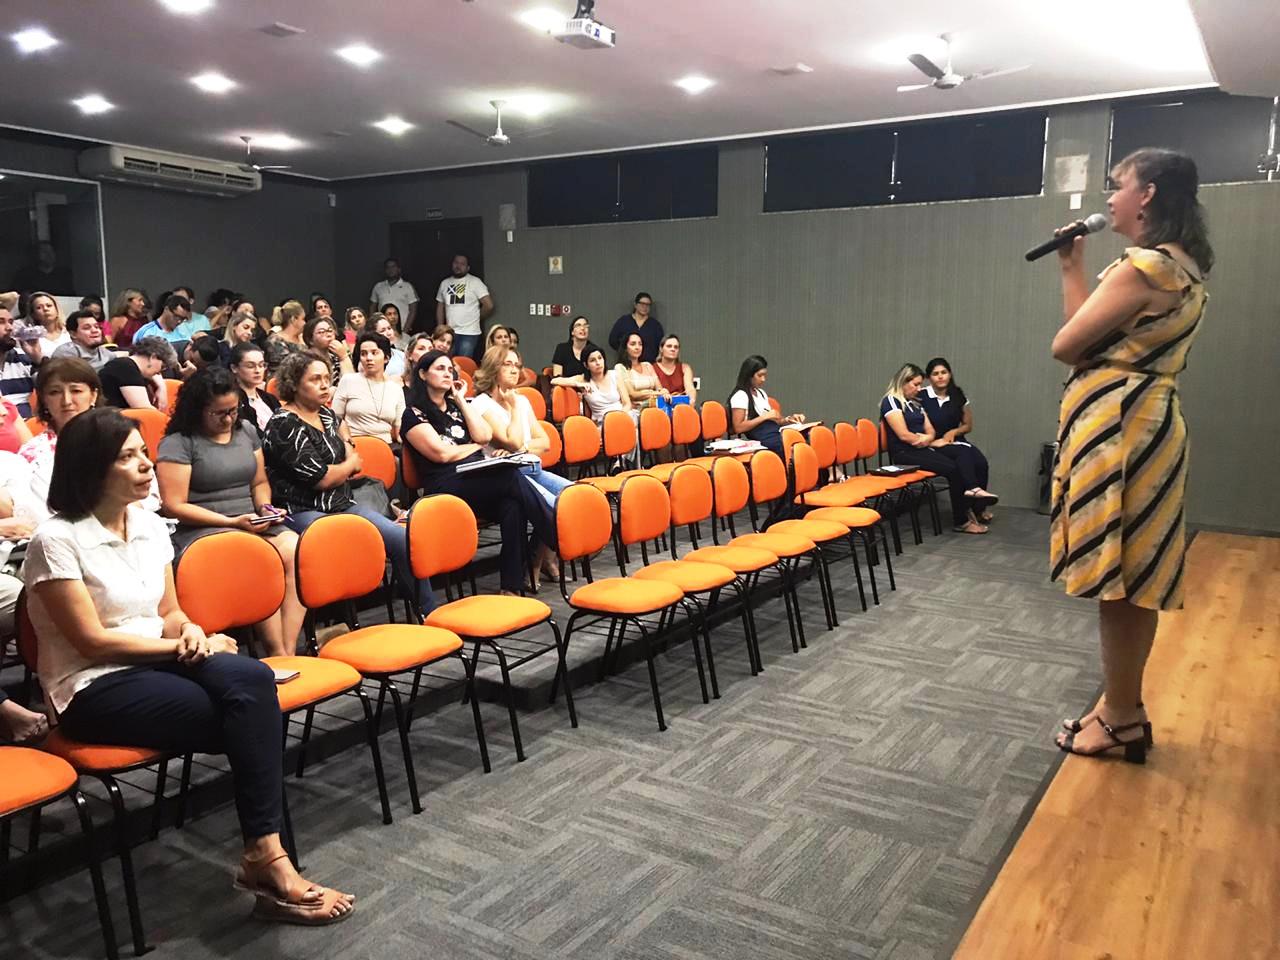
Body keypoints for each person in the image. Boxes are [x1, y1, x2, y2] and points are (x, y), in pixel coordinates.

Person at [24, 406, 355, 925]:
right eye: (127, 457)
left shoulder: (151, 526)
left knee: (252, 677)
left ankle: (266, 857)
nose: (145, 465)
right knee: (251, 716)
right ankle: (269, 861)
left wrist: (192, 630)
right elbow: (92, 642)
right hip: (92, 687)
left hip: (161, 662)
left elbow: (168, 613)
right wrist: (180, 647)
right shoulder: (57, 540)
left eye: (142, 453)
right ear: (91, 468)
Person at [1050, 148, 1213, 762]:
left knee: (1119, 580)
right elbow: (1087, 344)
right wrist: (1074, 267)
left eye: (1117, 185)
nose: (1110, 198)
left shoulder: (1143, 267)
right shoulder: (1183, 265)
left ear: (1147, 196)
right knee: (1129, 575)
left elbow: (1066, 346)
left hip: (1121, 430)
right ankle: (1120, 704)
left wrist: (1076, 271)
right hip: (1148, 424)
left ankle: (1121, 717)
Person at [262, 353, 434, 614]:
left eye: (326, 379)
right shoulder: (284, 424)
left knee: (403, 538)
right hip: (301, 509)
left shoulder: (326, 414)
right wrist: (349, 465)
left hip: (341, 503)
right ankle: (342, 621)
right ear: (294, 384)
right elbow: (321, 479)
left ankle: (428, 613)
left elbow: (342, 430)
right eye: (314, 379)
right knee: (339, 541)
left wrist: (348, 449)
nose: (324, 385)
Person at [156, 368, 304, 658]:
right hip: (204, 527)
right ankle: (278, 653)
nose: (228, 419)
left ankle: (286, 650)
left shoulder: (246, 431)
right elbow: (174, 505)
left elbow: (259, 482)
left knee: (294, 549)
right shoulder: (179, 442)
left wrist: (265, 508)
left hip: (250, 520)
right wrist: (232, 522)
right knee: (260, 558)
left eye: (233, 411)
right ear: (198, 410)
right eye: (219, 413)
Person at [402, 350, 557, 595]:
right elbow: (441, 454)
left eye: (450, 369)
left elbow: (484, 436)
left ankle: (511, 588)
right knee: (511, 477)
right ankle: (554, 528)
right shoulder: (413, 414)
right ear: (422, 374)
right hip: (445, 485)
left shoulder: (457, 407)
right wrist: (474, 447)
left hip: (473, 476)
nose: (447, 373)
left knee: (512, 505)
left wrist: (461, 400)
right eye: (439, 368)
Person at [880, 363, 992, 535]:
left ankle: (969, 506)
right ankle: (961, 521)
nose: (919, 389)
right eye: (915, 384)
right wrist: (923, 440)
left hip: (919, 449)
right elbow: (903, 435)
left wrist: (926, 439)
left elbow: (930, 430)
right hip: (904, 453)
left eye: (919, 384)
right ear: (903, 381)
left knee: (958, 465)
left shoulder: (914, 403)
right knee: (953, 470)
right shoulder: (891, 401)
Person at [471, 344, 573, 510]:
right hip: (510, 478)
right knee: (558, 511)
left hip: (534, 469)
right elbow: (512, 442)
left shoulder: (522, 400)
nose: (514, 370)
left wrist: (522, 448)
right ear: (493, 367)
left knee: (577, 497)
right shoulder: (482, 403)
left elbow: (544, 442)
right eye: (507, 364)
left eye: (517, 365)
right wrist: (515, 408)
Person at [920, 357, 994, 522]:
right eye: (935, 374)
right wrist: (933, 440)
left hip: (956, 440)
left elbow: (968, 425)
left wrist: (954, 431)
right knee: (962, 463)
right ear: (929, 377)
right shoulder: (921, 396)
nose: (940, 377)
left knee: (981, 463)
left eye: (944, 372)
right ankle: (965, 510)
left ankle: (978, 508)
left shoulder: (958, 394)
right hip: (933, 443)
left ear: (950, 374)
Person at [331, 331, 404, 444]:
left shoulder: (395, 389)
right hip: (353, 444)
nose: (368, 358)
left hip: (386, 447)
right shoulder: (348, 381)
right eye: (364, 354)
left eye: (374, 353)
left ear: (386, 358)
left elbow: (399, 431)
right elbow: (335, 419)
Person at [728, 355, 804, 460]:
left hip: (773, 429)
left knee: (806, 437)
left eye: (765, 375)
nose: (763, 379)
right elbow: (738, 427)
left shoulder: (761, 393)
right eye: (760, 376)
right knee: (786, 445)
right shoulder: (740, 395)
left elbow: (776, 420)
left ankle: (816, 473)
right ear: (749, 375)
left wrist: (788, 420)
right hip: (762, 435)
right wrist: (764, 417)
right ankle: (791, 474)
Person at [434, 254, 493, 360]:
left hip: (469, 333)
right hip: (449, 332)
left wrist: (477, 318)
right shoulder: (445, 283)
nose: (458, 266)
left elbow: (488, 305)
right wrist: (440, 328)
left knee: (463, 363)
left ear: (468, 267)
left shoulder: (475, 282)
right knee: (445, 360)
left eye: (462, 264)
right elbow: (440, 307)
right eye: (456, 263)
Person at [98, 337, 171, 411]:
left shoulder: (130, 366)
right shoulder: (126, 367)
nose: (159, 373)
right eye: (162, 367)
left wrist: (162, 387)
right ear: (153, 357)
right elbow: (145, 410)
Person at [0, 302, 44, 416]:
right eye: (1, 322)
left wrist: (37, 359)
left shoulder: (21, 357)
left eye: (10, 322)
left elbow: (51, 387)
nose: (9, 328)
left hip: (28, 426)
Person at [230, 342, 279, 433]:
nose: (258, 370)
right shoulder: (233, 402)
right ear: (234, 368)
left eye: (261, 365)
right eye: (250, 366)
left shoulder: (270, 399)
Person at [368, 258, 419, 339]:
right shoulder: (378, 286)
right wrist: (373, 327)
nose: (390, 269)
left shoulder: (407, 286)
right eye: (388, 267)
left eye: (393, 267)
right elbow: (372, 307)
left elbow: (413, 310)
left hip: (401, 330)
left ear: (399, 269)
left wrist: (405, 330)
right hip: (381, 331)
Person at [608, 292, 663, 363]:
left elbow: (661, 345)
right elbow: (612, 340)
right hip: (626, 363)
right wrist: (624, 352)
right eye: (642, 304)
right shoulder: (624, 321)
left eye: (648, 305)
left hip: (648, 364)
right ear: (635, 305)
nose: (645, 307)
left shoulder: (655, 325)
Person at [614, 332, 667, 407]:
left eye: (640, 344)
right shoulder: (620, 367)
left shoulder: (647, 365)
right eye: (633, 344)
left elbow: (659, 389)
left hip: (654, 406)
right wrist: (656, 393)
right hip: (636, 409)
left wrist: (663, 392)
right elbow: (632, 394)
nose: (637, 347)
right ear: (625, 348)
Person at [132, 295, 204, 345]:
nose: (179, 321)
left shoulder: (183, 334)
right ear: (166, 309)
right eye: (176, 316)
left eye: (183, 319)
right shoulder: (147, 332)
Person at [303, 315, 353, 385]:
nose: (329, 335)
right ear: (310, 340)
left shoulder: (336, 357)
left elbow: (350, 384)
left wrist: (344, 357)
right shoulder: (303, 361)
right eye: (322, 332)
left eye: (330, 331)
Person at [550, 315, 598, 382]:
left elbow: (598, 376)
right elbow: (557, 377)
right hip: (566, 387)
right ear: (572, 332)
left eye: (585, 325)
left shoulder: (594, 350)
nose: (583, 328)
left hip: (588, 388)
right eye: (578, 325)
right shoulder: (562, 349)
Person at [264, 301, 306, 376]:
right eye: (303, 319)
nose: (304, 323)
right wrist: (303, 346)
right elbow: (286, 366)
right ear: (294, 319)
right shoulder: (275, 341)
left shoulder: (302, 339)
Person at [653, 334, 697, 404]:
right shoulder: (652, 368)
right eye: (669, 346)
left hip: (681, 406)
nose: (673, 349)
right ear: (661, 349)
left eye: (676, 347)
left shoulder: (685, 368)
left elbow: (690, 388)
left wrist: (692, 400)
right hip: (660, 407)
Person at [25, 292, 70, 356]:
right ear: (33, 314)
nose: (45, 309)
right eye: (39, 307)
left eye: (49, 305)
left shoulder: (70, 332)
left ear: (57, 309)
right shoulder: (31, 337)